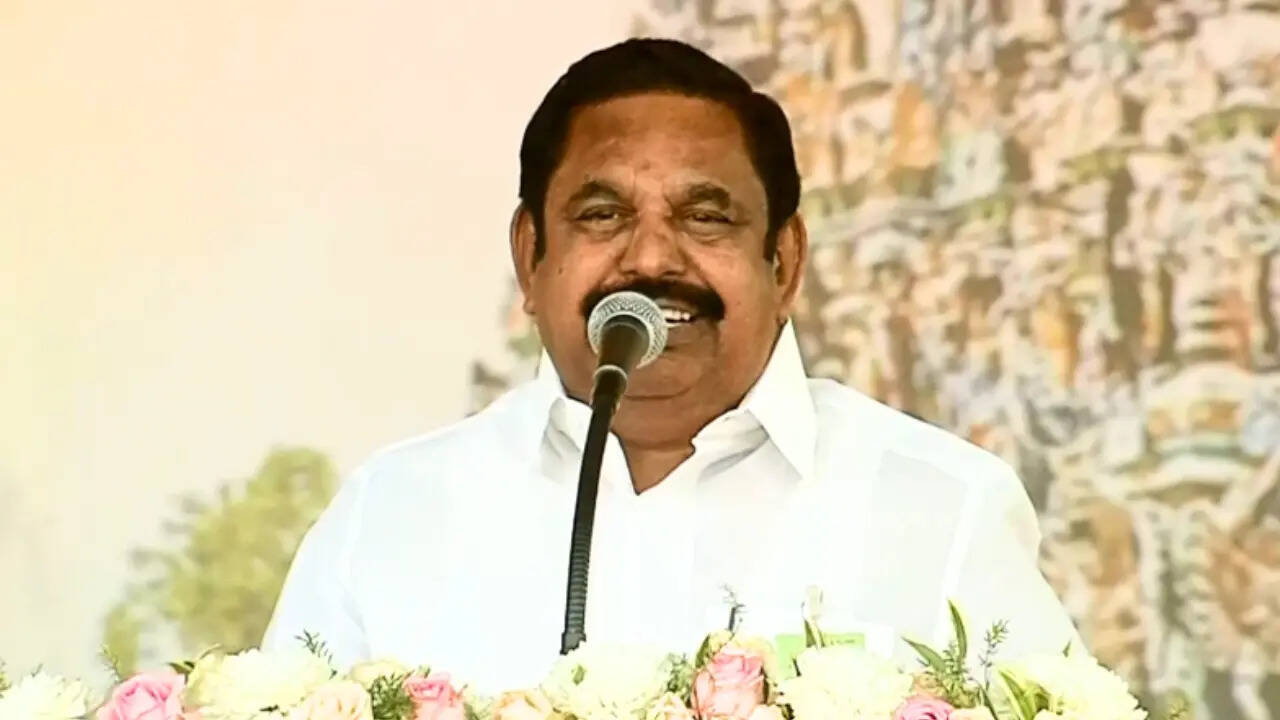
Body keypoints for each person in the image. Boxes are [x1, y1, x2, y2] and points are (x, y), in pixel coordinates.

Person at [264, 38, 1080, 690]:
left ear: (784, 263)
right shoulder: (392, 513)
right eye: (601, 214)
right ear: (530, 258)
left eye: (706, 216)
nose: (651, 257)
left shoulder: (943, 506)